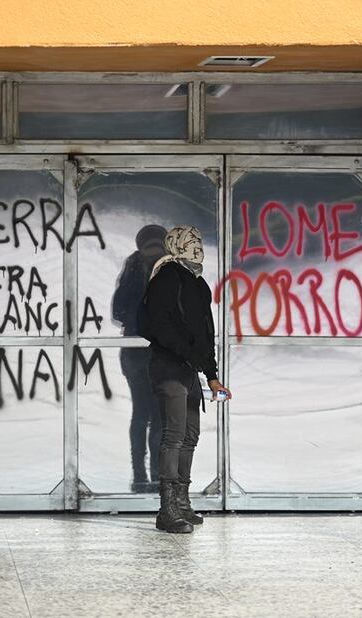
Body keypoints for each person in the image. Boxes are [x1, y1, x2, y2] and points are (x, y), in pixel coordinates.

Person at [143, 225, 232, 534]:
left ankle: (181, 502)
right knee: (174, 434)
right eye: (190, 242)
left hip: (189, 370)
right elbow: (156, 325)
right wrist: (187, 354)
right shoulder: (166, 278)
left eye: (199, 240)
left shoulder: (198, 283)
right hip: (169, 367)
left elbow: (205, 334)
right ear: (176, 246)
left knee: (190, 433)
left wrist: (212, 375)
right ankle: (166, 509)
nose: (197, 246)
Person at [111, 224, 167, 494]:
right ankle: (153, 476)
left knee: (142, 414)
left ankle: (142, 476)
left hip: (138, 351)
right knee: (156, 415)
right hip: (154, 352)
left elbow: (118, 310)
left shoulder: (134, 265)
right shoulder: (166, 266)